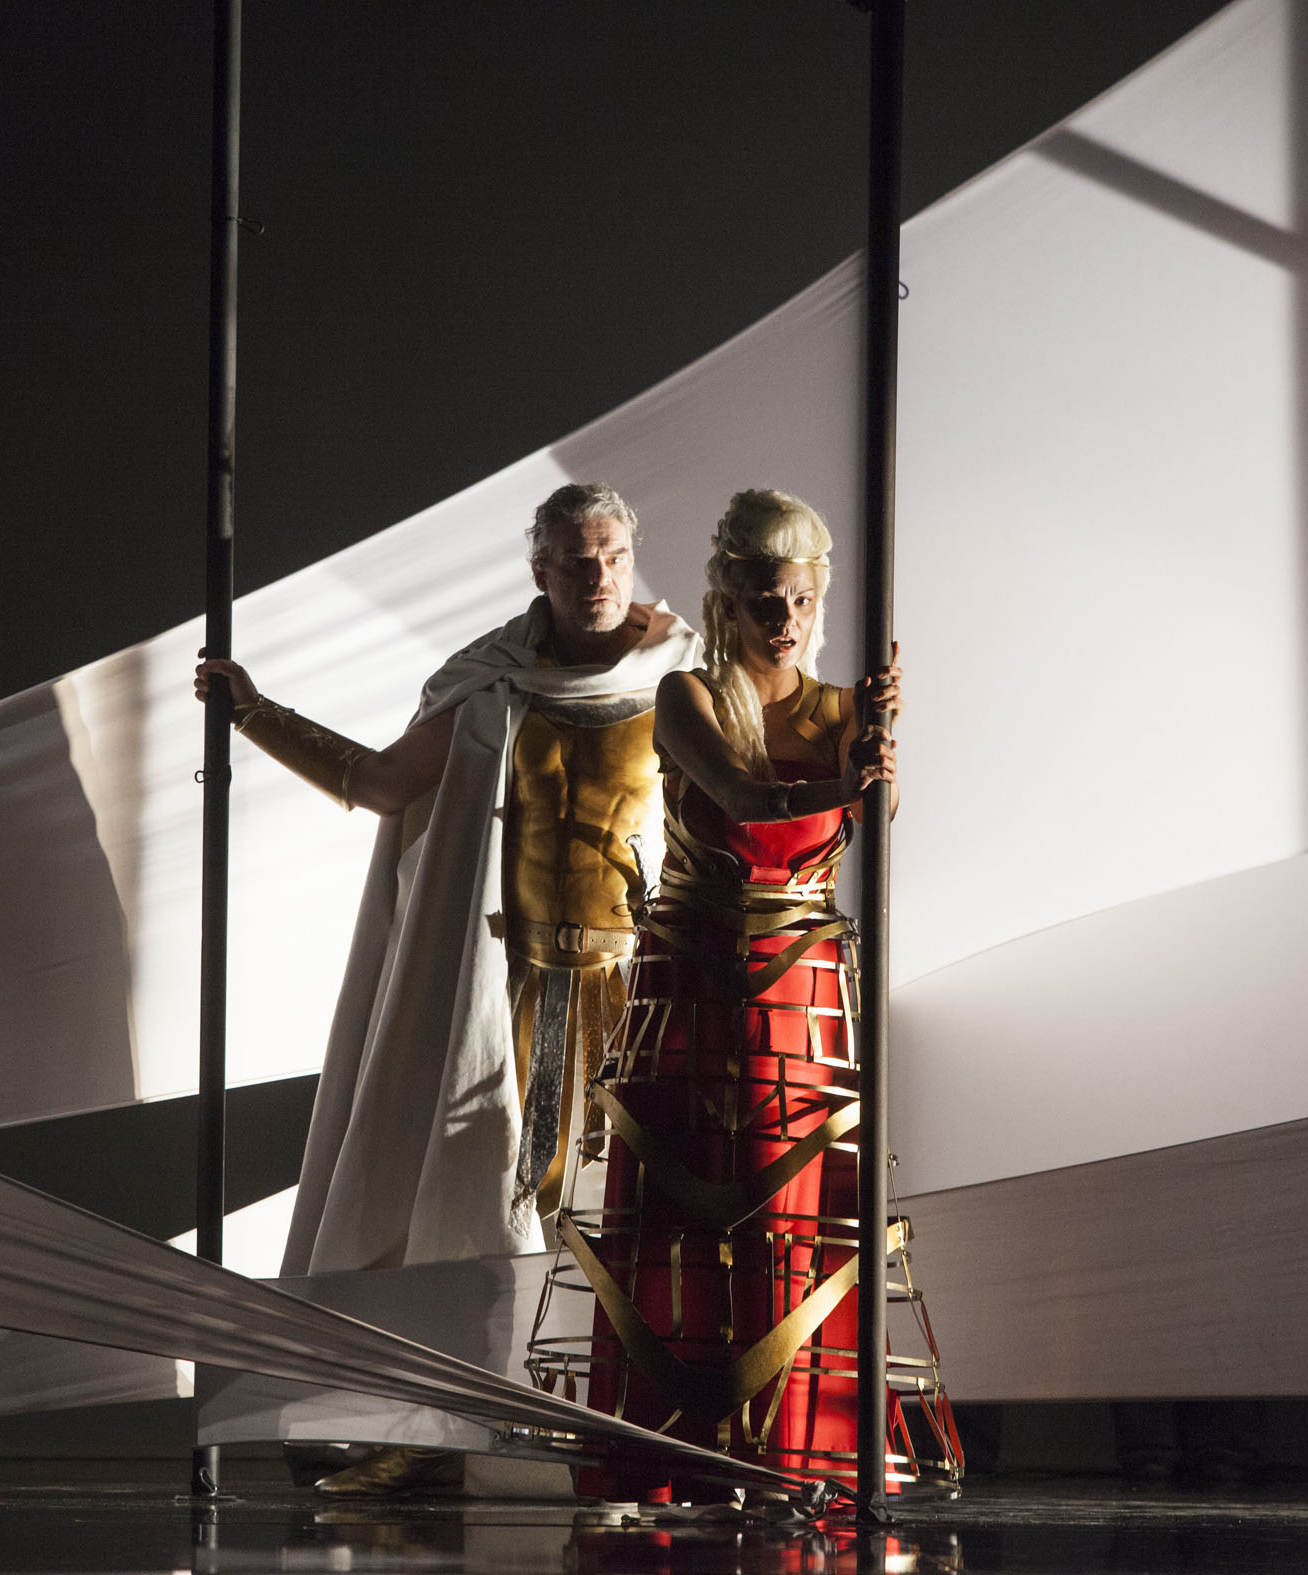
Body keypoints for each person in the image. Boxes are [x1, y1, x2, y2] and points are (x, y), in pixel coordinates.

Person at [195, 481, 701, 1497]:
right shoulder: (491, 686)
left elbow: (741, 801)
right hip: (507, 990)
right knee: (482, 1202)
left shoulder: (681, 681)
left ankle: (622, 1433)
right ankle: (440, 1429)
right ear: (540, 571)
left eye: (611, 556)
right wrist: (253, 712)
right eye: (576, 560)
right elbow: (381, 783)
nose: (598, 577)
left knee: (623, 1213)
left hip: (631, 995)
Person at [525, 489, 959, 1501]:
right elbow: (745, 798)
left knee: (793, 1220)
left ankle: (792, 1454)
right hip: (694, 993)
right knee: (683, 1218)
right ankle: (669, 1457)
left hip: (801, 995)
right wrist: (848, 779)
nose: (786, 619)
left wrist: (879, 747)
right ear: (728, 600)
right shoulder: (687, 696)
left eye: (801, 599)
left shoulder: (844, 709)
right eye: (766, 600)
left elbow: (882, 816)